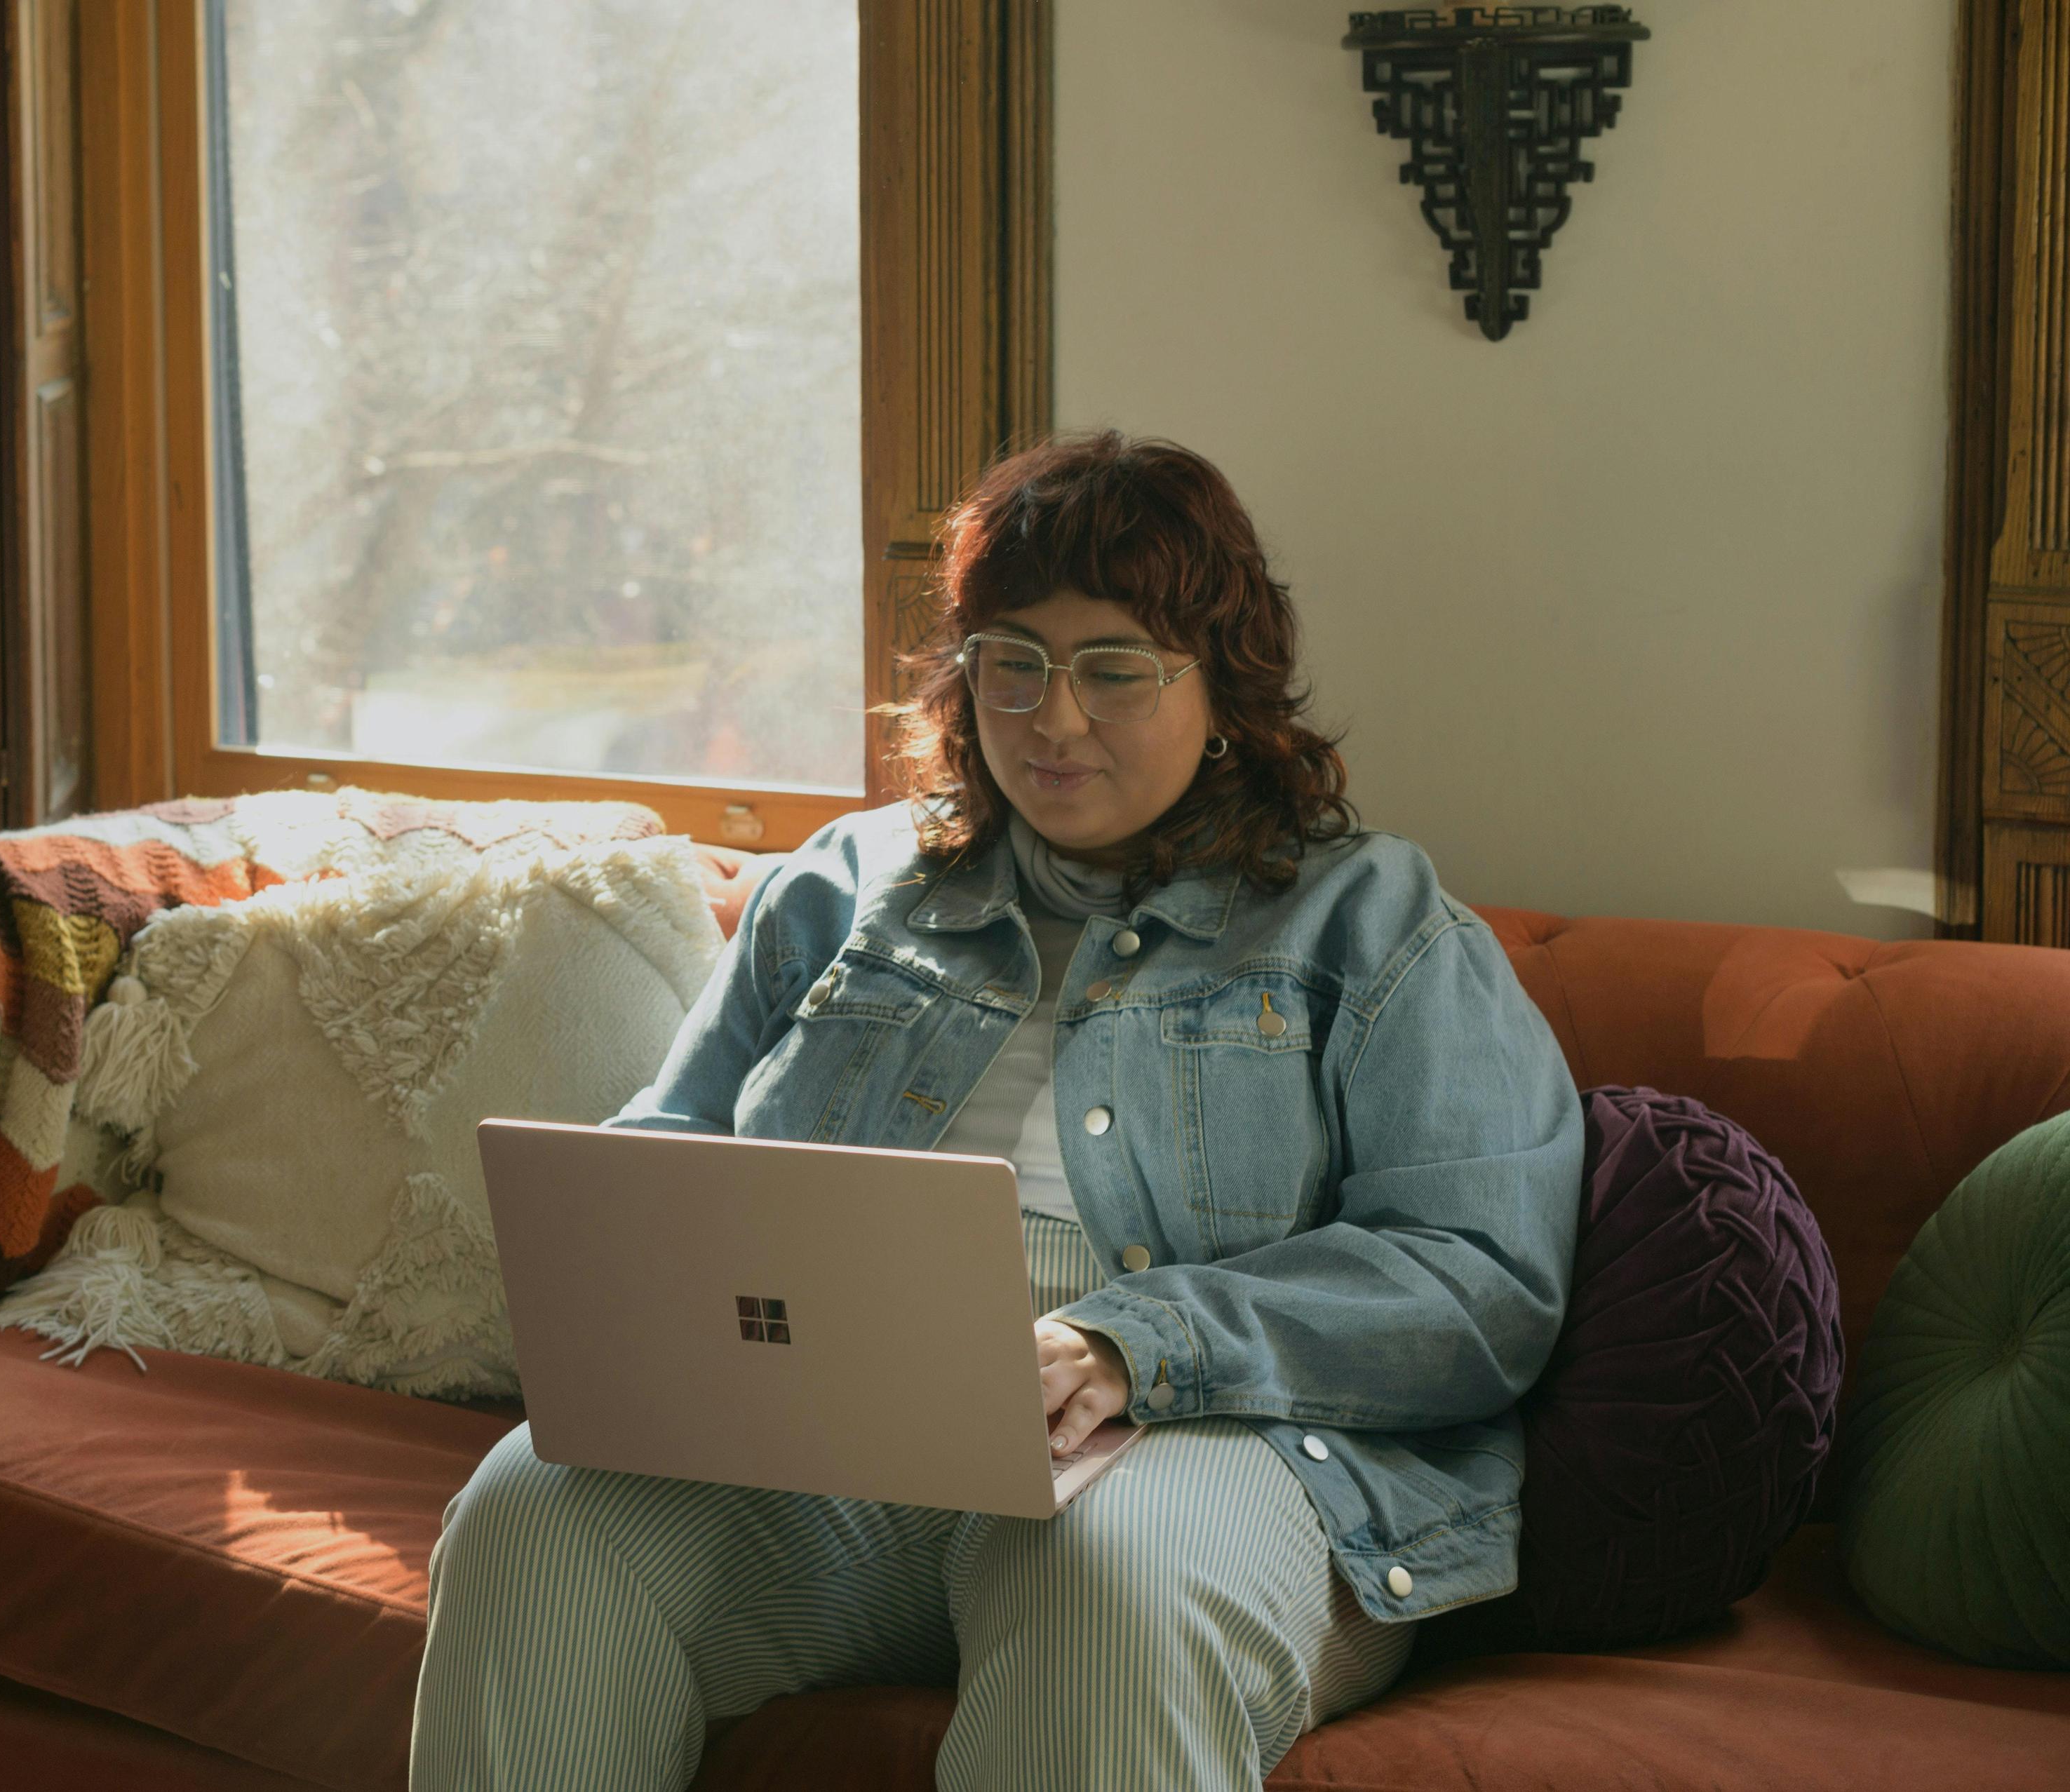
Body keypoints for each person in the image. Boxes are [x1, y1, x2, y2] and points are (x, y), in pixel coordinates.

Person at [410, 431, 1583, 1791]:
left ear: (1225, 684)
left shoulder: (1374, 922)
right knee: (531, 1517)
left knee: (1106, 1598)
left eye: (1114, 669)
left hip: (1200, 1442)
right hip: (831, 1442)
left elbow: (1480, 1280)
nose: (1054, 717)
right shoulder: (847, 885)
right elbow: (673, 1151)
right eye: (1012, 662)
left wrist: (1130, 1341)